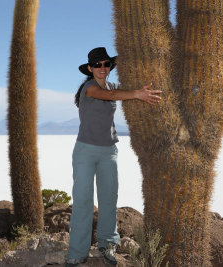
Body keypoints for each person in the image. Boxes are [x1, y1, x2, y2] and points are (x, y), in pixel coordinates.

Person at [65, 47, 162, 267]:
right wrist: (136, 94)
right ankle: (77, 252)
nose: (102, 68)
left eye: (106, 64)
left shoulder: (112, 85)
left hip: (109, 151)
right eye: (97, 65)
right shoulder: (89, 88)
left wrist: (142, 85)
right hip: (85, 151)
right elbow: (110, 96)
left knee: (109, 199)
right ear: (90, 69)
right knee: (83, 201)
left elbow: (120, 91)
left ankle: (107, 245)